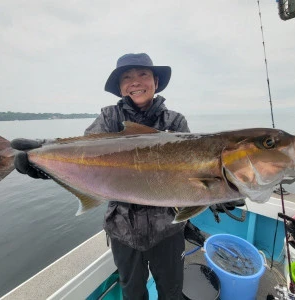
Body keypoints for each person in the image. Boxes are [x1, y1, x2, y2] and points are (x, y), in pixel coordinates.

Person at [12, 53, 190, 299]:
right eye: (127, 77)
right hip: (123, 230)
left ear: (156, 82)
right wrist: (44, 166)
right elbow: (83, 157)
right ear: (120, 88)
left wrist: (218, 192)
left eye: (142, 74)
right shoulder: (110, 118)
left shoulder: (174, 122)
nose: (135, 82)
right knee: (132, 293)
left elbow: (190, 172)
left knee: (172, 292)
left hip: (168, 230)